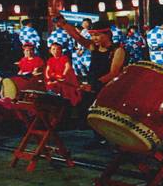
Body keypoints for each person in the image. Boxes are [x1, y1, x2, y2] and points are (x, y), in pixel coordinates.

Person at [53, 15, 127, 148]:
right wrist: (63, 24)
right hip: (93, 85)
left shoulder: (118, 50)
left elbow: (113, 73)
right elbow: (78, 37)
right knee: (91, 113)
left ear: (107, 34)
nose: (94, 39)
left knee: (108, 116)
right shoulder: (94, 47)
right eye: (92, 36)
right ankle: (99, 139)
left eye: (97, 35)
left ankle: (118, 143)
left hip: (109, 87)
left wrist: (93, 85)